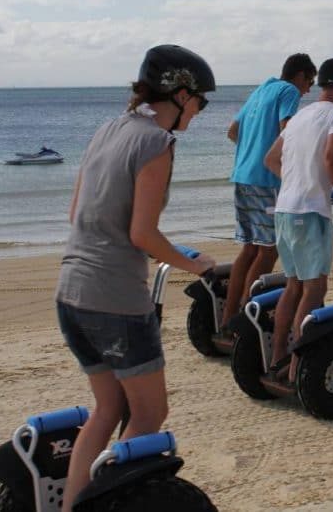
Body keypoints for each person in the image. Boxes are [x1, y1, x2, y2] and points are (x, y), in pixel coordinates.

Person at [54, 45, 218, 508]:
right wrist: (197, 264)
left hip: (71, 293)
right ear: (181, 94)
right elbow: (142, 233)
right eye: (201, 101)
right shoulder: (157, 142)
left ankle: (74, 506)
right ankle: (113, 504)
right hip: (115, 301)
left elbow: (77, 213)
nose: (200, 111)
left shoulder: (108, 130)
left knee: (108, 409)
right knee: (150, 412)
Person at [264, 58, 333, 383]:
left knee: (293, 285)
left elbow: (271, 159)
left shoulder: (300, 116)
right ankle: (298, 368)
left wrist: (296, 180)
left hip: (285, 210)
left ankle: (278, 358)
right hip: (310, 212)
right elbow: (332, 157)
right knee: (315, 287)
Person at [223, 53, 317, 326]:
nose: (309, 88)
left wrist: (251, 149)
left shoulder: (261, 90)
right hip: (266, 179)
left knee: (249, 248)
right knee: (269, 250)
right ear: (299, 75)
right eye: (309, 81)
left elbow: (232, 131)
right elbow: (288, 131)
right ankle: (244, 319)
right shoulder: (288, 91)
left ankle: (230, 317)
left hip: (242, 176)